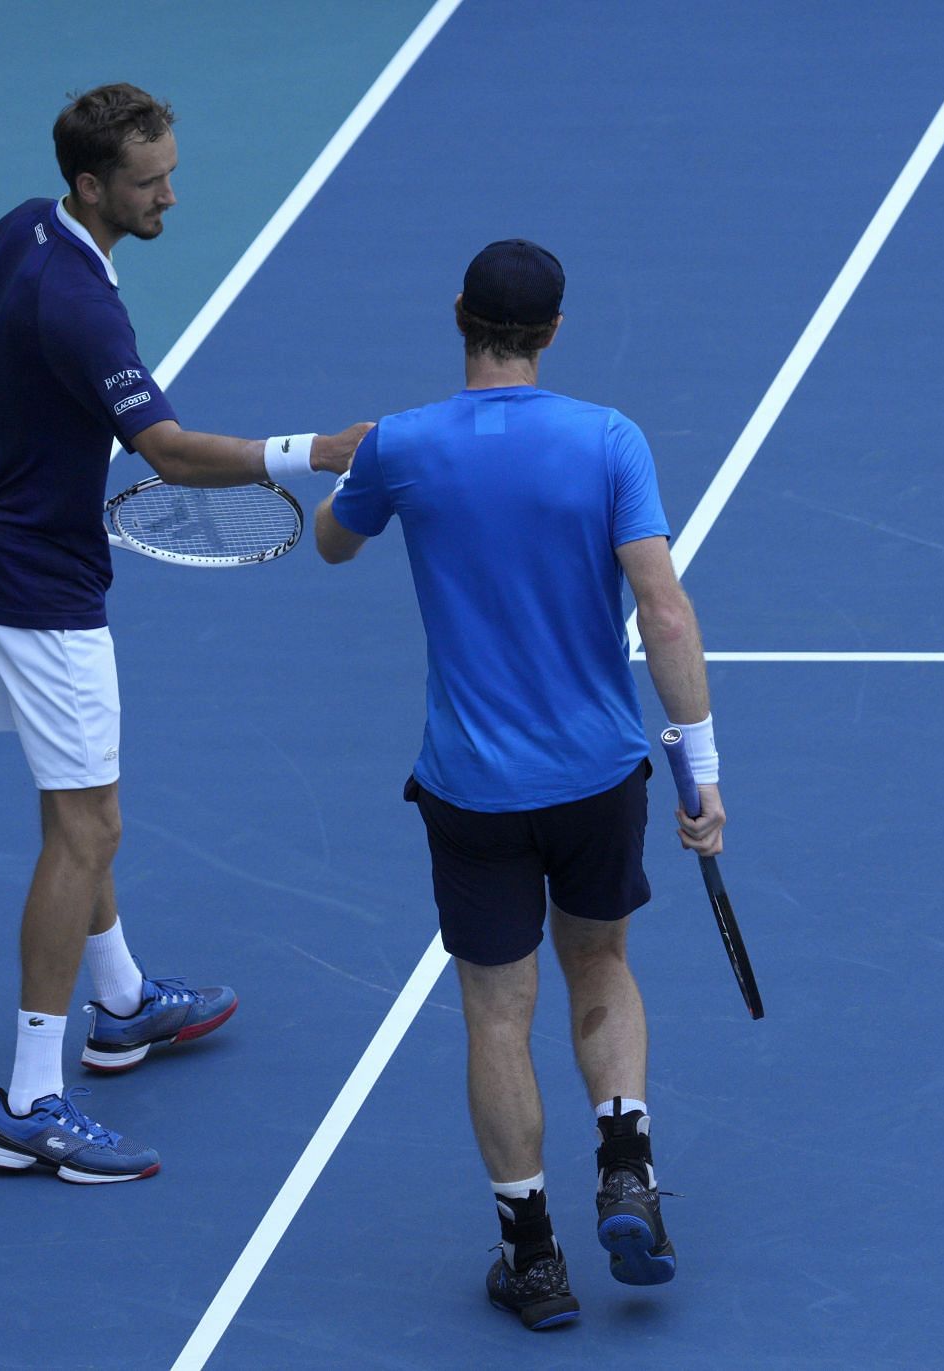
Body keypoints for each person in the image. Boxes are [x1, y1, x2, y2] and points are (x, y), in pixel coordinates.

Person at [0, 83, 370, 1183]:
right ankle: (31, 1101)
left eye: (170, 167)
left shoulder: (20, 228)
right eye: (149, 180)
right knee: (86, 831)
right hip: (41, 586)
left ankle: (121, 1002)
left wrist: (26, 475)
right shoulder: (84, 306)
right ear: (93, 185)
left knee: (80, 806)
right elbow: (167, 452)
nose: (171, 191)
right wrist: (312, 451)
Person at [313, 240, 726, 1327]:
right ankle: (626, 1165)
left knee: (498, 1013)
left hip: (473, 791)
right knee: (602, 967)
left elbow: (330, 546)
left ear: (459, 315)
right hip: (597, 777)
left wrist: (349, 470)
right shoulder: (608, 441)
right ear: (552, 331)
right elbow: (666, 611)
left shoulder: (401, 447)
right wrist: (699, 769)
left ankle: (532, 1256)